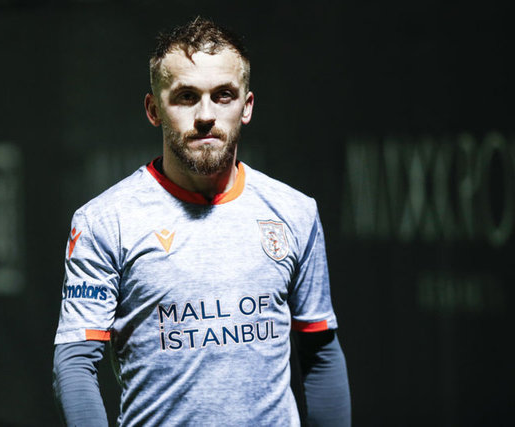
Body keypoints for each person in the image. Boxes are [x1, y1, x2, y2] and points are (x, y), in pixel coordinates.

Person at [53, 17, 351, 427]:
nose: (206, 115)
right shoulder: (105, 221)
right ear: (154, 109)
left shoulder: (295, 211)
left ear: (246, 106)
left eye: (223, 95)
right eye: (186, 96)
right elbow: (74, 363)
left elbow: (320, 351)